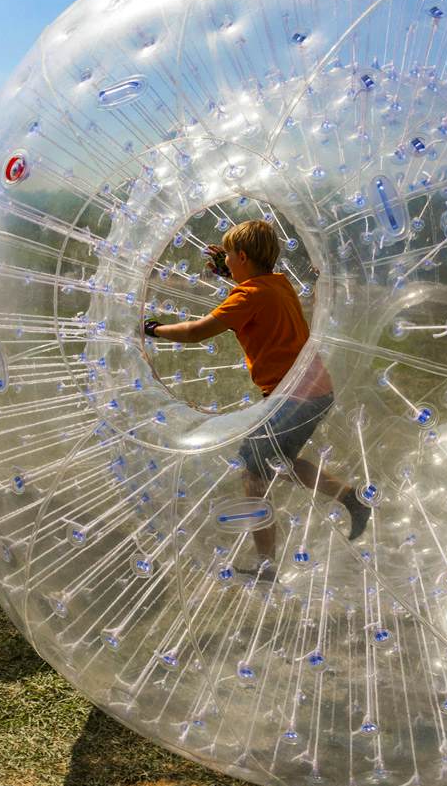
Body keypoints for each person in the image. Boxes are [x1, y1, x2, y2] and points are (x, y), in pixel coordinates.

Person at [143, 220, 370, 580]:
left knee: (254, 470)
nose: (226, 263)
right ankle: (349, 498)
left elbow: (197, 331)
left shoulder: (248, 296)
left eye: (229, 256)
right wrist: (228, 274)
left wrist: (153, 330)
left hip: (294, 395)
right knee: (277, 462)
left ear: (243, 257)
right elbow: (252, 291)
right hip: (313, 391)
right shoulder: (277, 285)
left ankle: (266, 564)